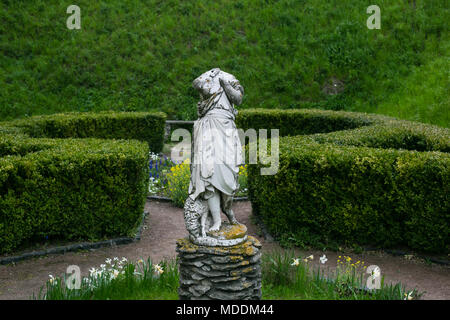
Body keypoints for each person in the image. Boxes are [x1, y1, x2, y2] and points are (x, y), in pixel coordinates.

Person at [189, 68, 244, 232]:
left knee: (228, 174)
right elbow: (201, 99)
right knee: (209, 176)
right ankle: (217, 220)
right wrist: (202, 86)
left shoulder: (229, 78)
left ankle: (228, 209)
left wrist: (225, 84)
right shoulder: (203, 79)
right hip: (208, 128)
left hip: (226, 129)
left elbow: (238, 99)